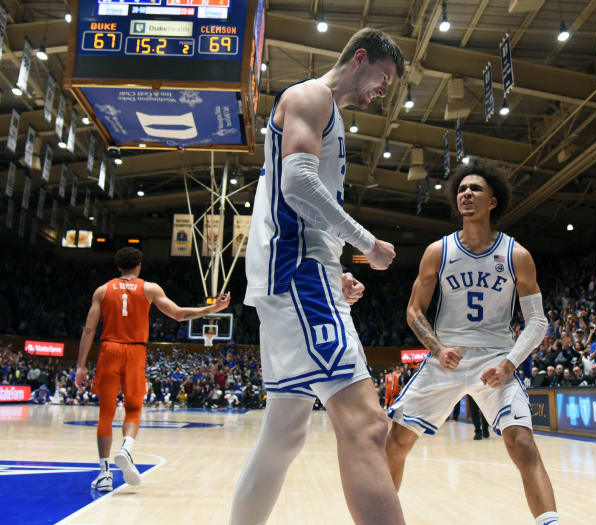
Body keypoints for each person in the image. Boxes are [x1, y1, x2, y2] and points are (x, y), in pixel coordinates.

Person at [230, 28, 406, 525]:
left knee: (284, 435)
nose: (382, 91)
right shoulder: (312, 95)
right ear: (361, 58)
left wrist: (335, 272)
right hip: (297, 272)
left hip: (301, 272)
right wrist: (366, 244)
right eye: (383, 78)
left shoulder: (327, 111)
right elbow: (298, 183)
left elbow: (300, 202)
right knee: (368, 424)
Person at [385, 162, 560, 525]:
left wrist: (509, 364)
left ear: (493, 201)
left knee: (522, 443)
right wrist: (436, 349)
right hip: (445, 357)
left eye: (475, 189)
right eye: (462, 189)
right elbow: (415, 310)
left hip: (496, 360)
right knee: (396, 442)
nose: (466, 193)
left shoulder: (516, 255)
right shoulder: (439, 250)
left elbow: (538, 321)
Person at [75, 247, 230, 492]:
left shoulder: (102, 291)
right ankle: (126, 447)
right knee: (134, 408)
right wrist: (209, 310)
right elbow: (178, 315)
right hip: (135, 351)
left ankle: (104, 474)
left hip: (109, 349)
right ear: (139, 266)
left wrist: (81, 366)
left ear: (118, 267)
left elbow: (88, 329)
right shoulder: (149, 288)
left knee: (105, 412)